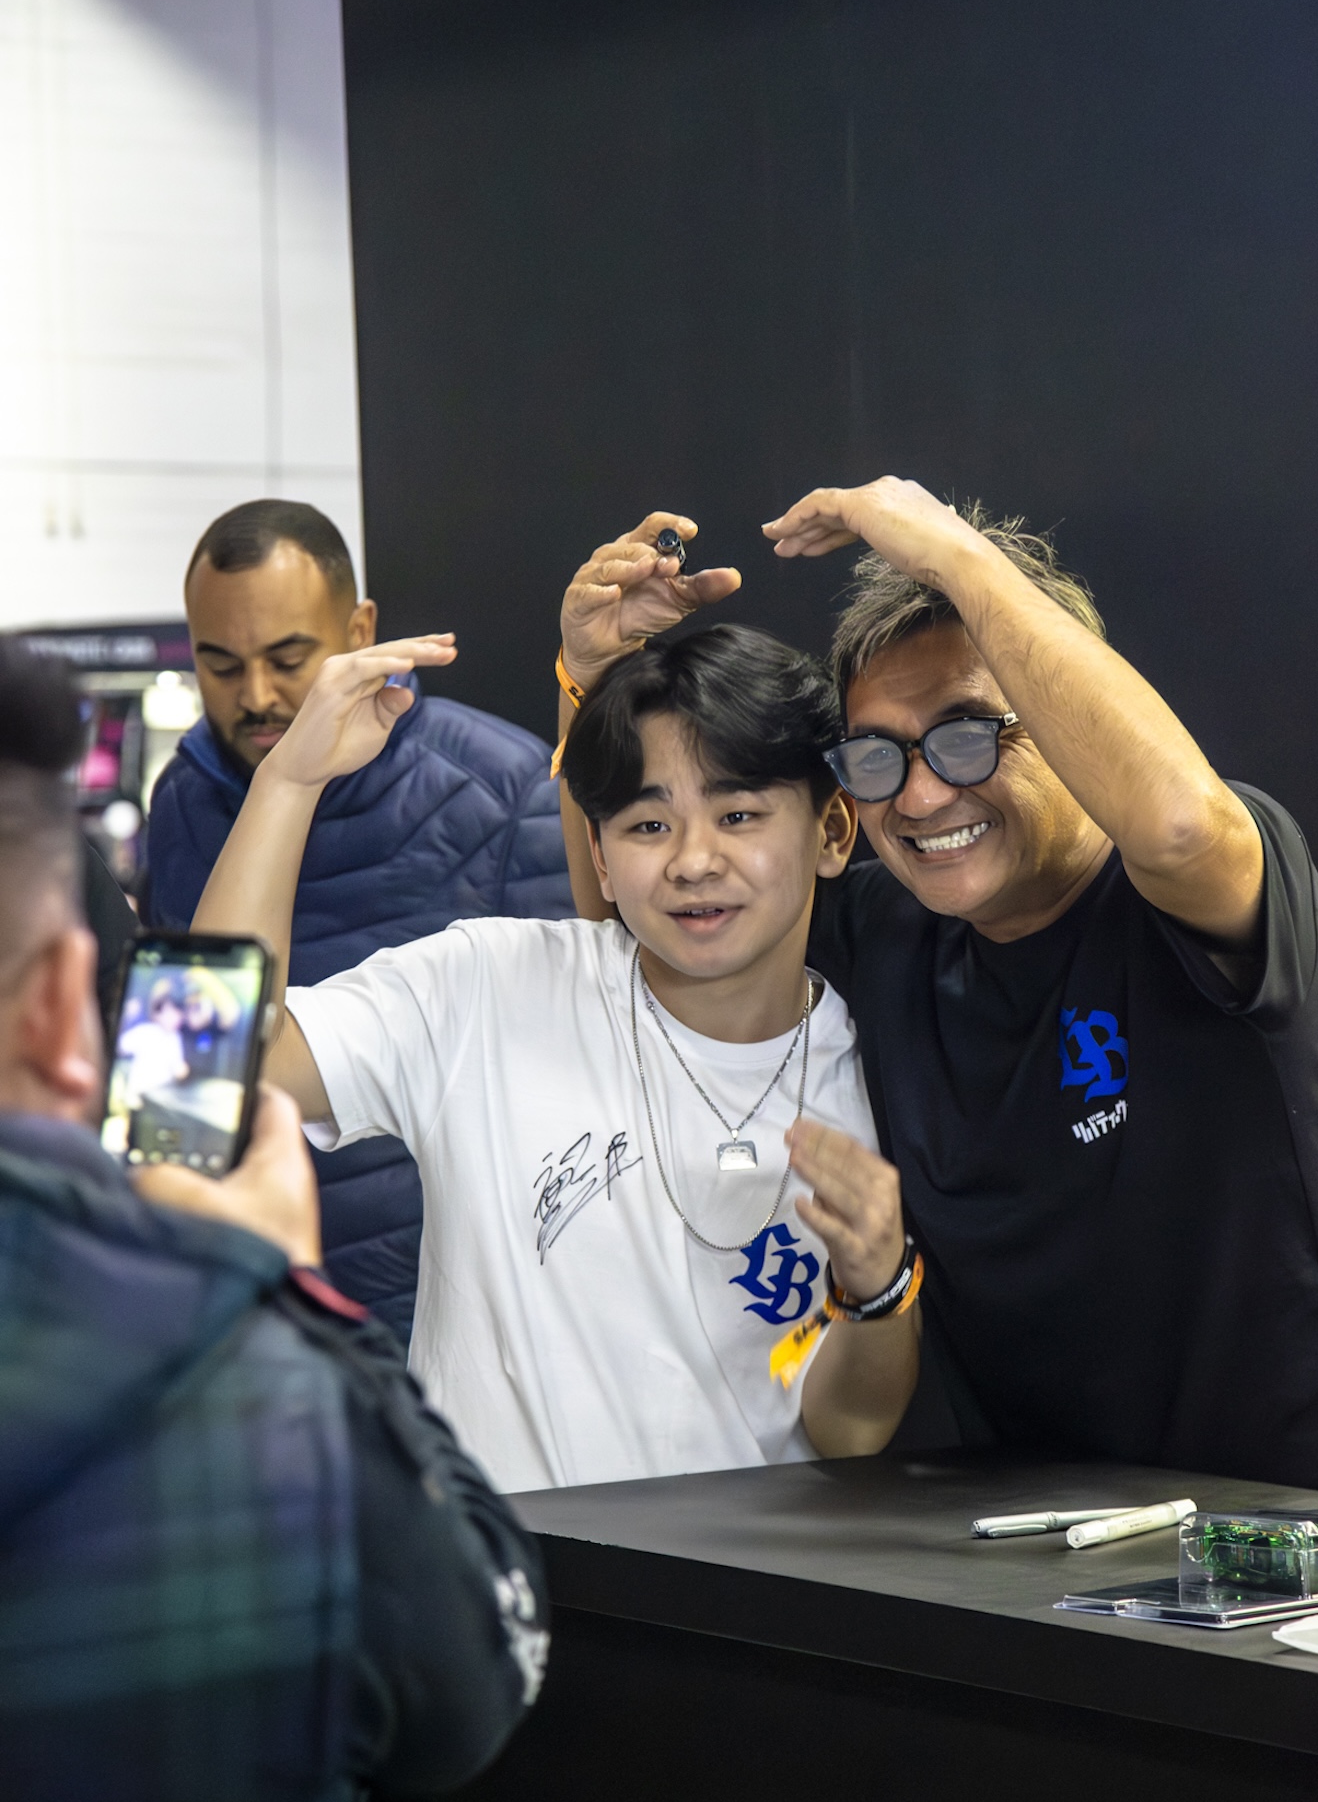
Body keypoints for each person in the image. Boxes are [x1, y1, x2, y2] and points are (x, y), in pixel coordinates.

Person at [569, 483, 1318, 1499]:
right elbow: (643, 917)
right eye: (877, 758)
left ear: (1054, 723)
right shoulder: (887, 932)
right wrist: (593, 682)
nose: (921, 795)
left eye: (969, 735)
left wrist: (951, 552)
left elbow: (1183, 828)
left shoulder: (1196, 892)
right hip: (1060, 1550)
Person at [187, 520, 921, 1494]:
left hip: (746, 1583)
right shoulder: (486, 989)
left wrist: (879, 1286)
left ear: (832, 830)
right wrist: (288, 779)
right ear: (600, 860)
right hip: (496, 1574)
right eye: (648, 824)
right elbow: (182, 1084)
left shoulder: (878, 1077)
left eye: (738, 814)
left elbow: (847, 1430)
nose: (693, 859)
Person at [0, 636, 547, 1802]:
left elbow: (187, 1092)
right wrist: (285, 1294)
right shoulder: (266, 1398)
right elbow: (468, 1695)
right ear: (67, 1005)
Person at [144, 498, 573, 1339]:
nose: (256, 695)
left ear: (360, 629)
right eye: (220, 665)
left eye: (287, 659)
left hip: (446, 1315)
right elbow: (187, 1085)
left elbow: (571, 1076)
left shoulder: (502, 790)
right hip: (247, 1304)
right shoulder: (184, 802)